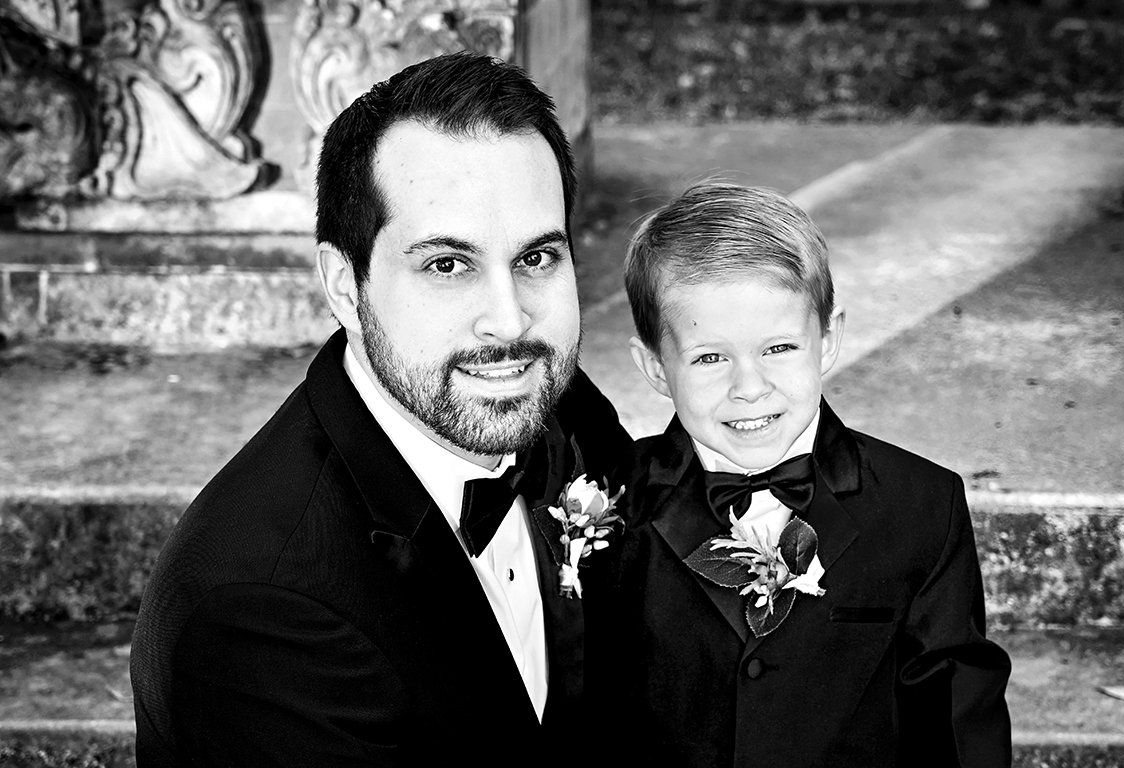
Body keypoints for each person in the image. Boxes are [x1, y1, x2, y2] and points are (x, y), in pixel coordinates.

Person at [130, 52, 632, 766]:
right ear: (345, 287)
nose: (510, 320)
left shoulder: (554, 404)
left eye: (536, 258)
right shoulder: (259, 613)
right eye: (447, 265)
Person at [604, 181, 1012, 767]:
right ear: (655, 367)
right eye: (710, 357)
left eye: (779, 348)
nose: (750, 387)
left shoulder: (922, 505)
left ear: (828, 340)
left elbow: (955, 720)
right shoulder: (608, 503)